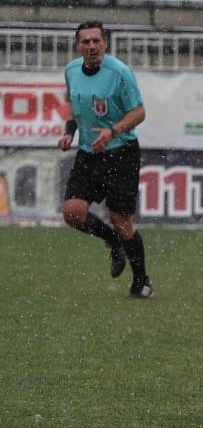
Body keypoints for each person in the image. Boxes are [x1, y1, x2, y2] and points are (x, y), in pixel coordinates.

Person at [58, 20, 153, 299]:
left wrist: (112, 131)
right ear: (78, 46)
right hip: (89, 154)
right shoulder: (71, 71)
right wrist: (69, 132)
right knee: (72, 212)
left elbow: (139, 112)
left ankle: (142, 281)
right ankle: (113, 242)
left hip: (121, 152)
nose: (91, 46)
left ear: (105, 44)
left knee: (121, 219)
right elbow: (75, 108)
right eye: (85, 42)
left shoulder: (120, 72)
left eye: (96, 41)